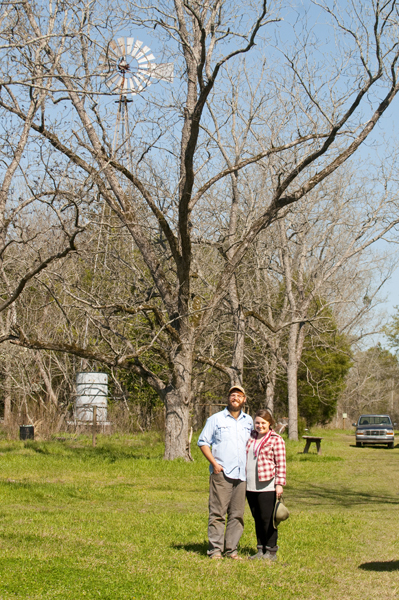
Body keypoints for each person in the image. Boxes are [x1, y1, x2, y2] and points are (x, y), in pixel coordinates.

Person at [198, 385, 253, 559]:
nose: (235, 398)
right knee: (217, 513)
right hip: (222, 473)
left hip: (242, 475)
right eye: (232, 395)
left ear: (244, 399)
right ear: (228, 398)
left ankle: (231, 549)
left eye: (239, 395)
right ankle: (215, 550)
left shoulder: (249, 421)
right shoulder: (215, 419)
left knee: (237, 515)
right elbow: (203, 442)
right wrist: (214, 464)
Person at [246, 408, 286, 561]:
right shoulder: (250, 437)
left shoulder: (276, 439)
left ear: (270, 423)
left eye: (263, 423)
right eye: (257, 423)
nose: (260, 426)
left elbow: (281, 464)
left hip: (267, 485)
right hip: (250, 485)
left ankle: (271, 550)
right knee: (257, 518)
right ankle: (260, 549)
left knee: (267, 519)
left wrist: (279, 484)